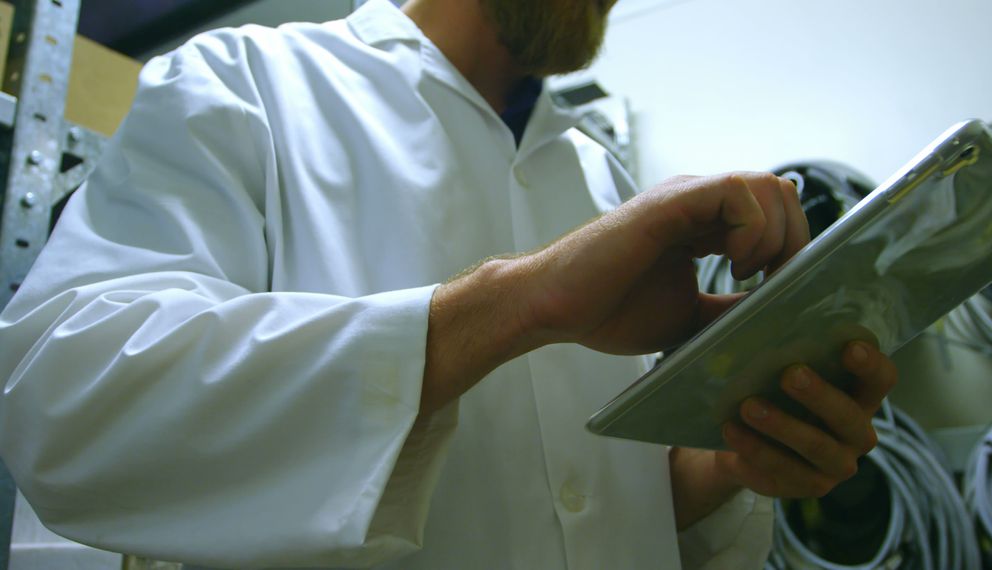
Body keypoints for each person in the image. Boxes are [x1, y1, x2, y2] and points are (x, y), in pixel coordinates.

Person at [0, 0, 897, 568]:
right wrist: (517, 304)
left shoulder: (599, 177)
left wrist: (728, 465)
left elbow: (585, 505)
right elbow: (63, 404)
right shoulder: (251, 86)